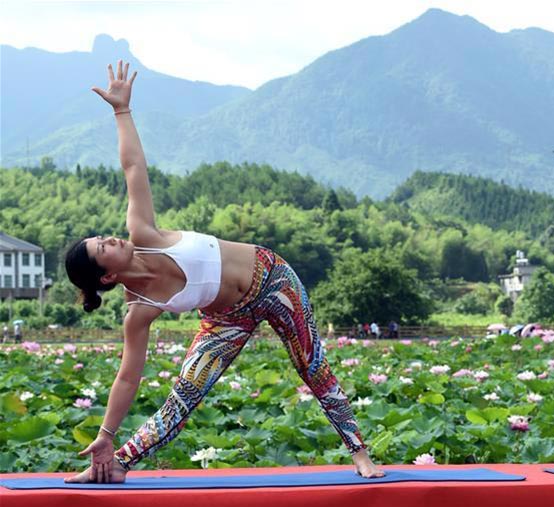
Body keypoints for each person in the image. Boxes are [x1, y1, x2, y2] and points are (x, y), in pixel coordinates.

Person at [62, 61, 384, 483]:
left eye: (105, 236)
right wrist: (105, 433)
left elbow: (133, 169)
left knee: (311, 363)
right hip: (226, 317)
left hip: (273, 280)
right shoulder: (139, 311)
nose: (112, 239)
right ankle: (118, 462)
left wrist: (121, 111)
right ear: (106, 276)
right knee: (187, 390)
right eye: (104, 247)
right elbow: (127, 376)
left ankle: (359, 453)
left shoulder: (144, 232)